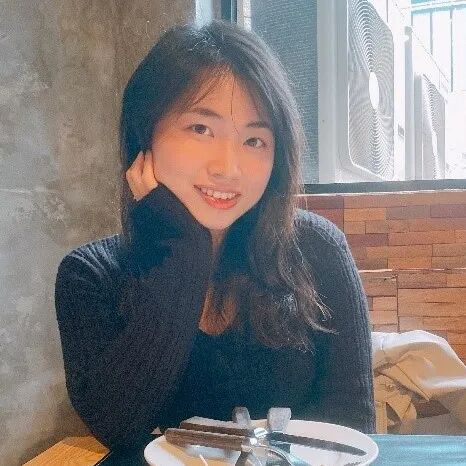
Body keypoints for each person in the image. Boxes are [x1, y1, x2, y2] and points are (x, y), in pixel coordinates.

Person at [54, 19, 375, 451]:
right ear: (144, 137)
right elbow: (117, 428)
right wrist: (184, 252)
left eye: (255, 140)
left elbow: (351, 432)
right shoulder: (90, 276)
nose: (228, 167)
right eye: (200, 129)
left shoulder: (318, 250)